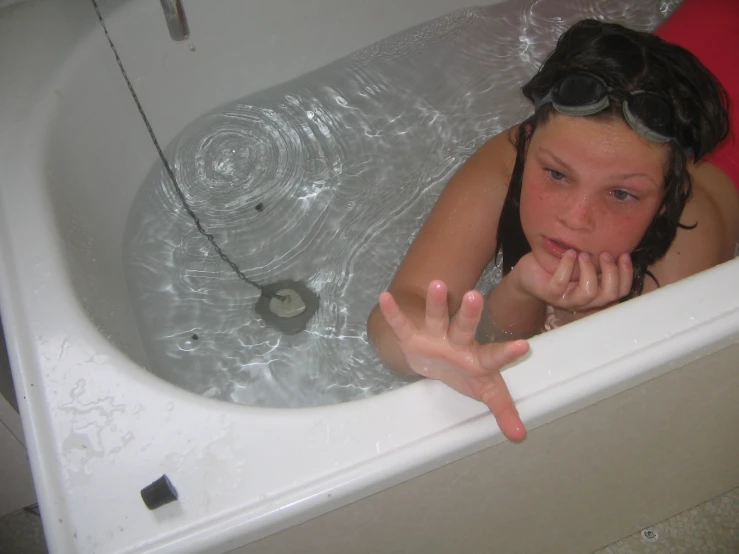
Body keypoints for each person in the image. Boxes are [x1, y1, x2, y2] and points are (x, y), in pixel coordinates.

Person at [366, 0, 739, 442]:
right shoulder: (510, 158)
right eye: (557, 174)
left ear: (665, 201)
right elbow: (405, 305)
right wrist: (429, 349)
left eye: (621, 194)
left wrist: (582, 315)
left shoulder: (681, 250)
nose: (576, 218)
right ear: (528, 139)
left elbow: (595, 408)